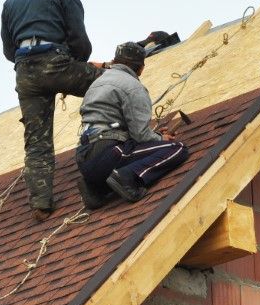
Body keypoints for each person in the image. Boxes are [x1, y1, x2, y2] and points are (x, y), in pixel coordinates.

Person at [1, 0, 103, 222]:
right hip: (55, 61)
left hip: (25, 72)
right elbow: (78, 36)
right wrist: (78, 65)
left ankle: (41, 204)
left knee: (37, 141)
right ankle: (117, 145)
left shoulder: (11, 0)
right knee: (108, 82)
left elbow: (8, 49)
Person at [75, 42, 189, 208]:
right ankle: (127, 177)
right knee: (177, 148)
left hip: (85, 158)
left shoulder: (97, 84)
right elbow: (141, 135)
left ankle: (96, 188)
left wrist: (155, 135)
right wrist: (160, 139)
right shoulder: (133, 87)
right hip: (110, 152)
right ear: (141, 68)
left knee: (135, 149)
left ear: (114, 61)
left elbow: (115, 126)